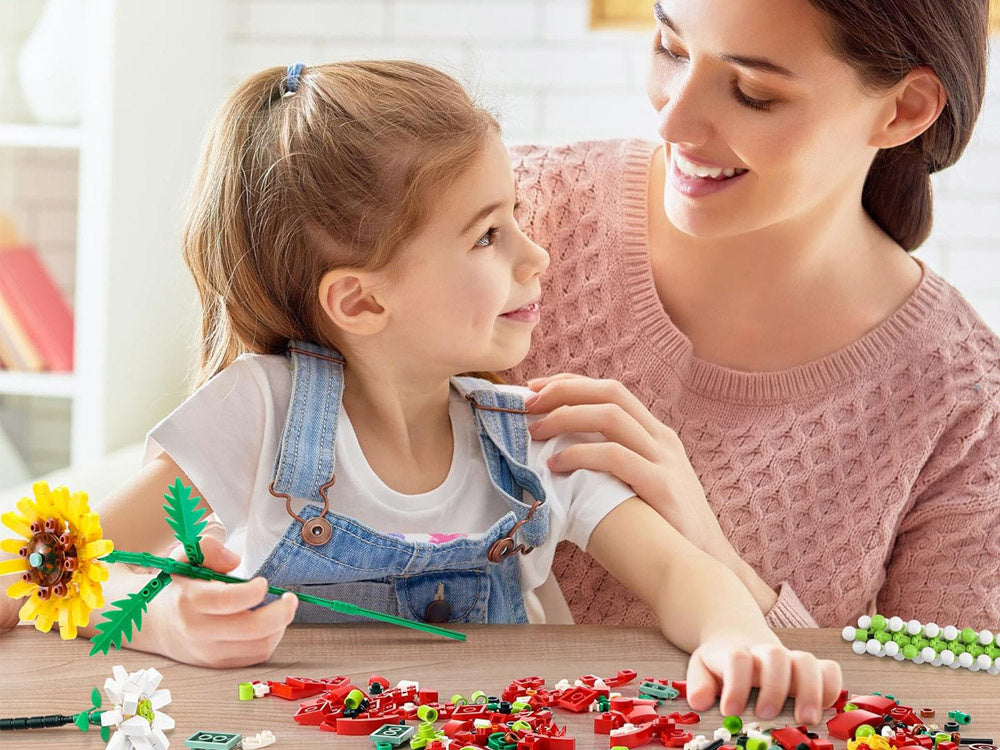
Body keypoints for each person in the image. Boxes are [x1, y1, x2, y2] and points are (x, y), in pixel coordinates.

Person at [0, 60, 841, 722]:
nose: (536, 255)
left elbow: (682, 575)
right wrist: (160, 620)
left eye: (517, 215)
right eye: (487, 235)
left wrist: (736, 638)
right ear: (361, 301)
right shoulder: (259, 412)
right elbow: (37, 567)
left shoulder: (535, 437)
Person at [505, 0, 1000, 630]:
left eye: (752, 92)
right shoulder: (505, 215)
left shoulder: (962, 403)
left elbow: (945, 693)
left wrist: (717, 565)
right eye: (671, 50)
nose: (673, 120)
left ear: (903, 109)